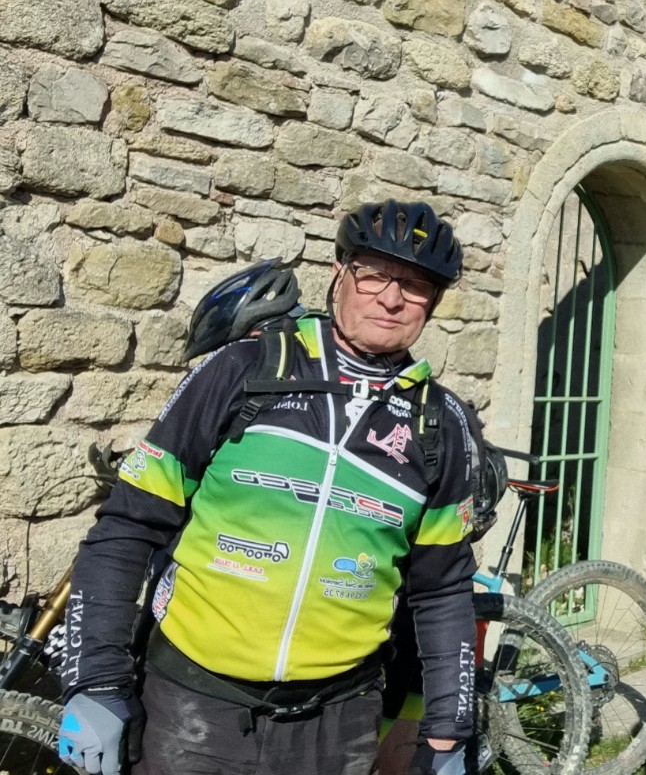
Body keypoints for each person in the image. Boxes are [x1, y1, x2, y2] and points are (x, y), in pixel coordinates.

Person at [58, 200, 482, 775]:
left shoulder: (440, 423)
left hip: (337, 723)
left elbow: (443, 590)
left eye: (415, 285)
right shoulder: (245, 368)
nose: (391, 298)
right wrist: (96, 682)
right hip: (192, 703)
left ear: (432, 302)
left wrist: (448, 731)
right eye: (375, 274)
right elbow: (128, 526)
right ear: (339, 272)